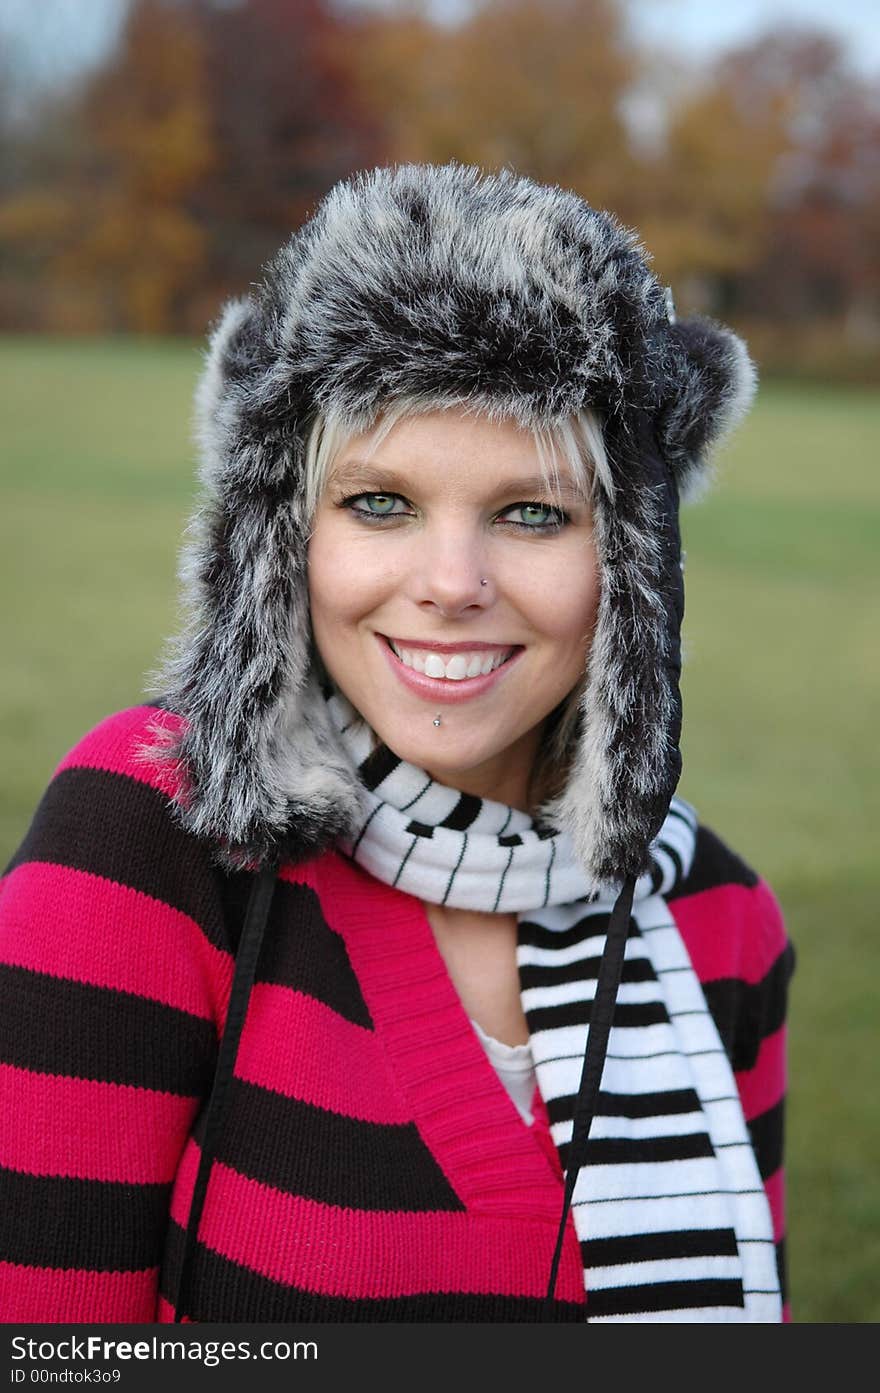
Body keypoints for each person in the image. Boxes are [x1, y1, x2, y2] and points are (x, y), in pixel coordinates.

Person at [0, 163, 793, 1324]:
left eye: (534, 513)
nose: (451, 585)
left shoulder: (720, 923)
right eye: (379, 503)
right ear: (282, 533)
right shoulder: (149, 833)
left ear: (633, 560)